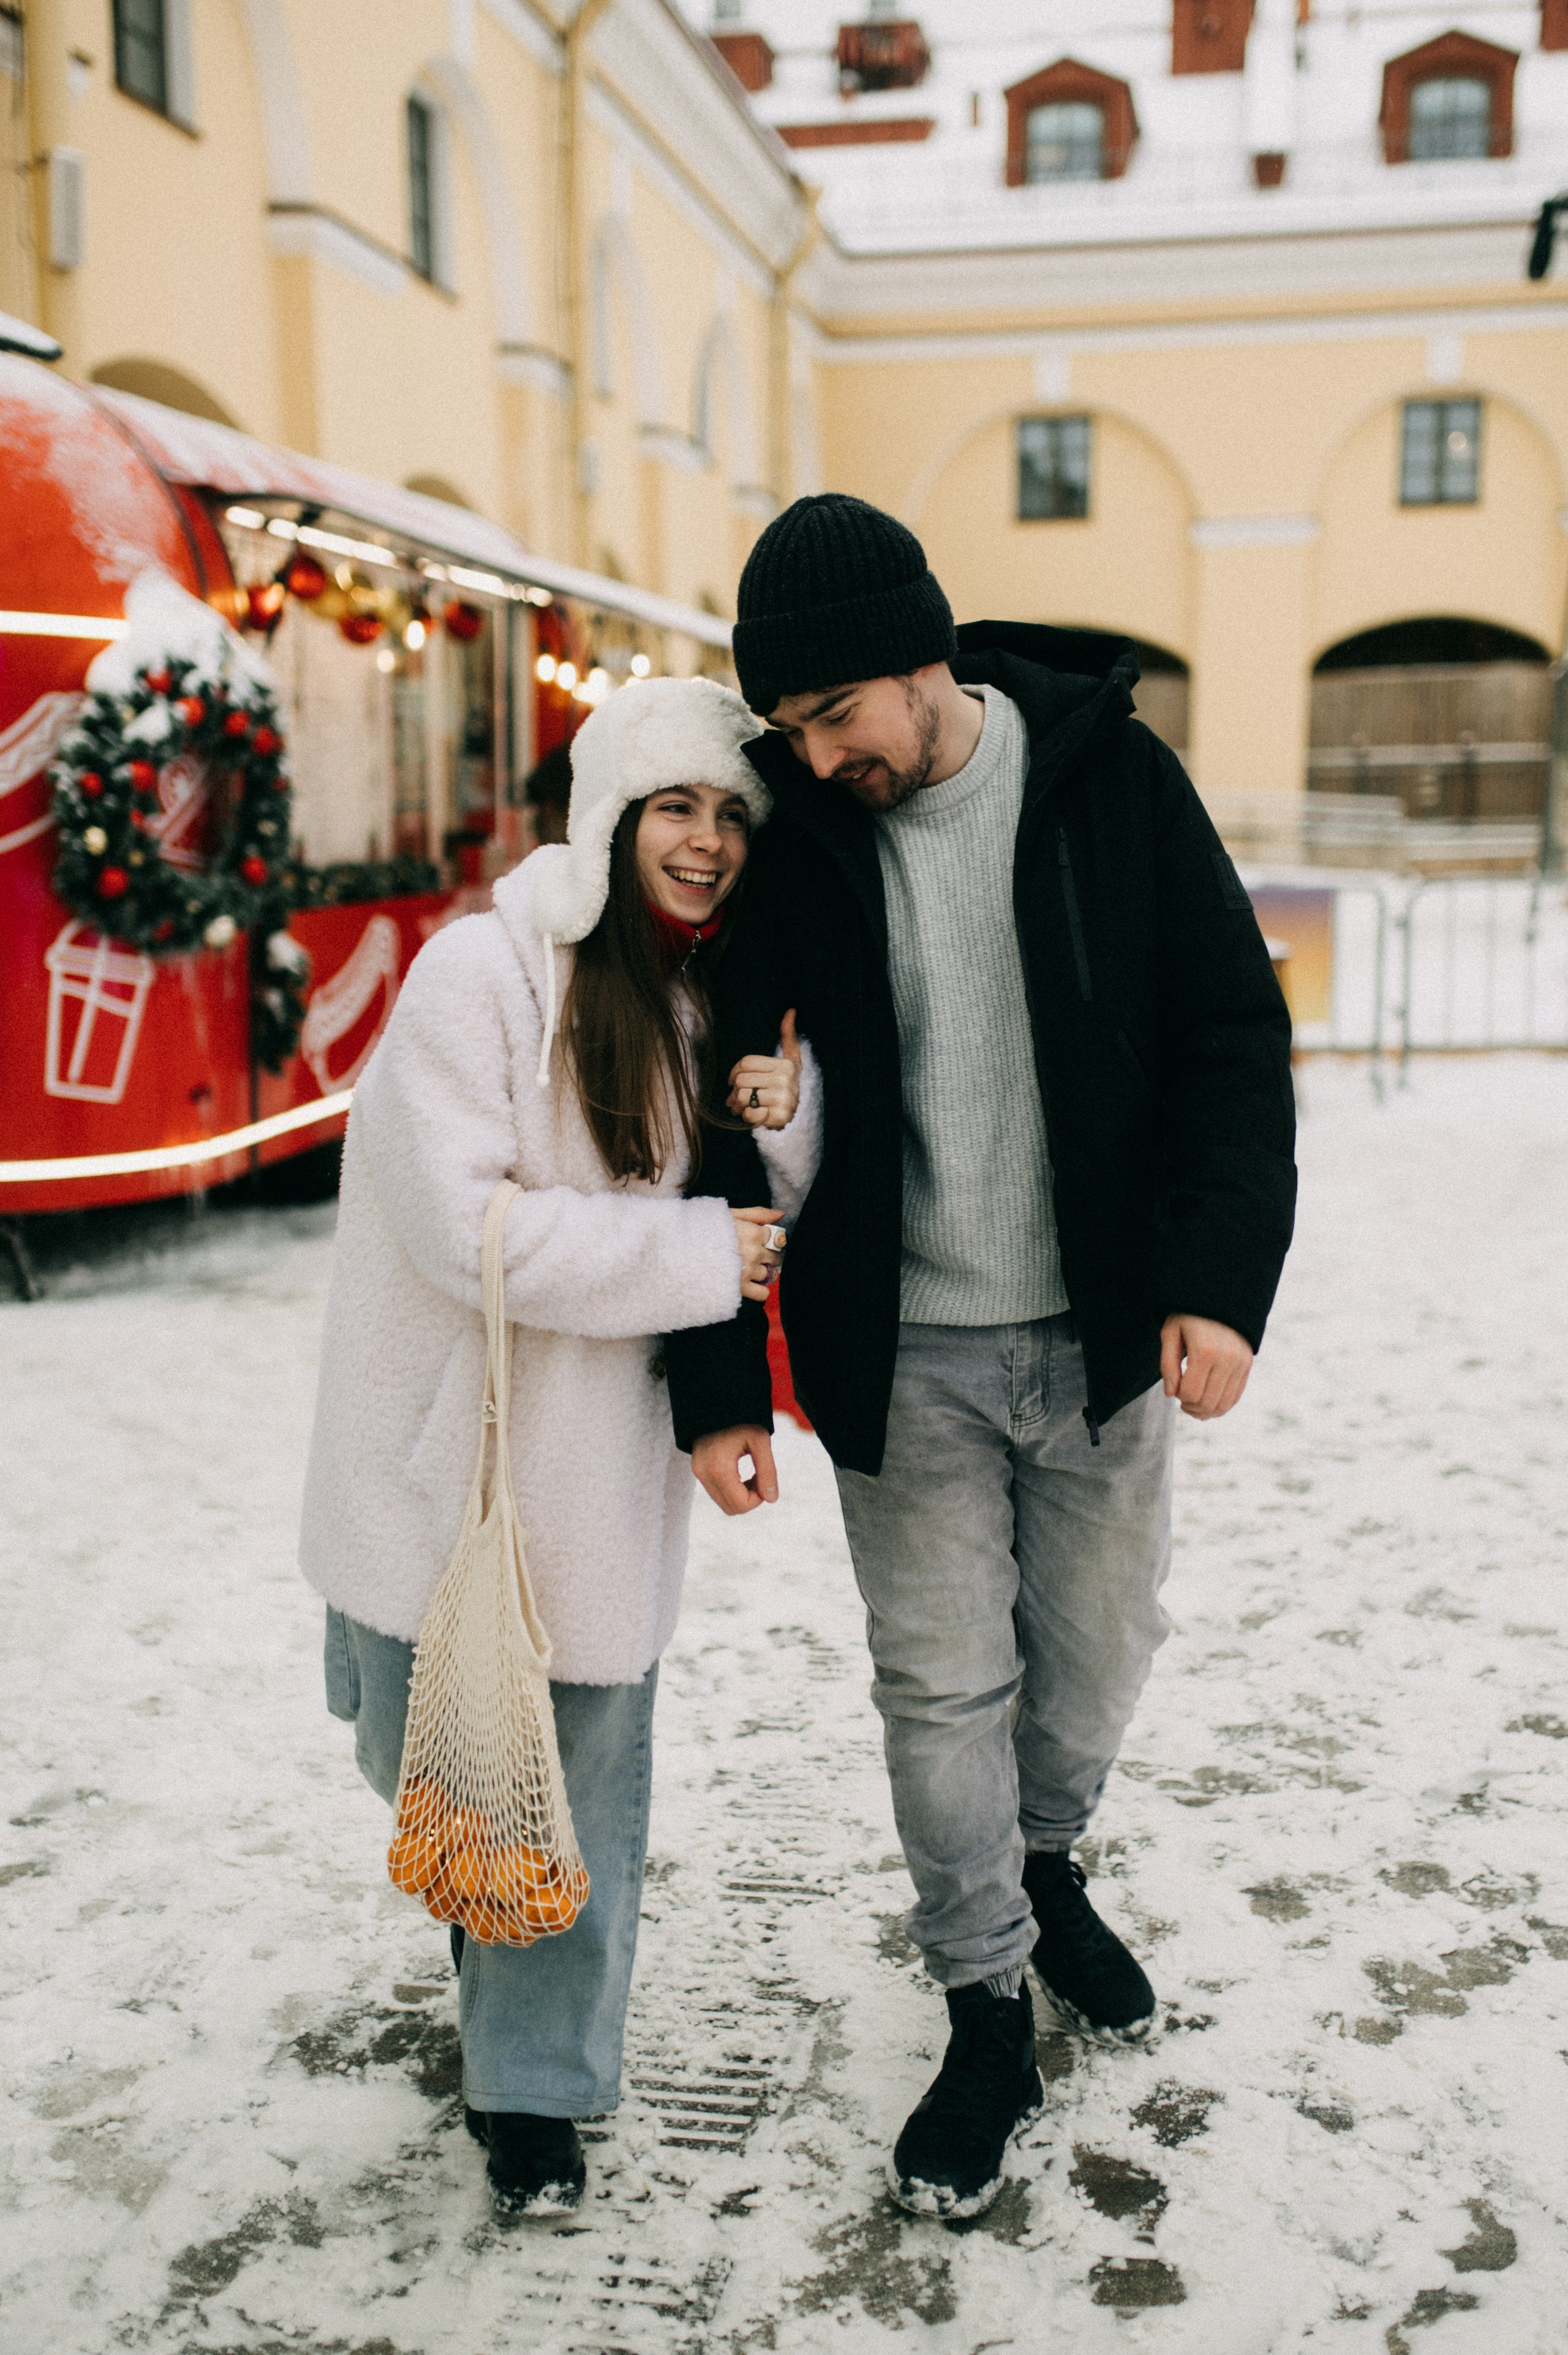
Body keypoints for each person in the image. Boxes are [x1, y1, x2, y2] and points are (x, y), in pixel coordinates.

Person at [664, 494, 1297, 2221]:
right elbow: (728, 1116)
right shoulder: (805, 833)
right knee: (941, 1684)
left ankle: (1043, 1861)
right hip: (903, 1353)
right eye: (786, 729)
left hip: (1100, 1335)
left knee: (1094, 1649)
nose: (815, 755)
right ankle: (981, 2003)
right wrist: (722, 1380)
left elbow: (1232, 1034)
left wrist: (1218, 1279)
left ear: (921, 658)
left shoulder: (1107, 779)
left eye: (833, 716)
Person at [298, 676, 815, 2220]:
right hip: (432, 1470)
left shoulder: (704, 997)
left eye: (731, 814)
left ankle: (532, 2091)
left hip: (591, 1480)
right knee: (416, 1750)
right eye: (678, 806)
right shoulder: (480, 973)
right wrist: (692, 1254)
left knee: (577, 1789)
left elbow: (766, 1219)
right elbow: (464, 1231)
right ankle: (488, 1914)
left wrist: (789, 1121)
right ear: (608, 814)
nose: (708, 842)